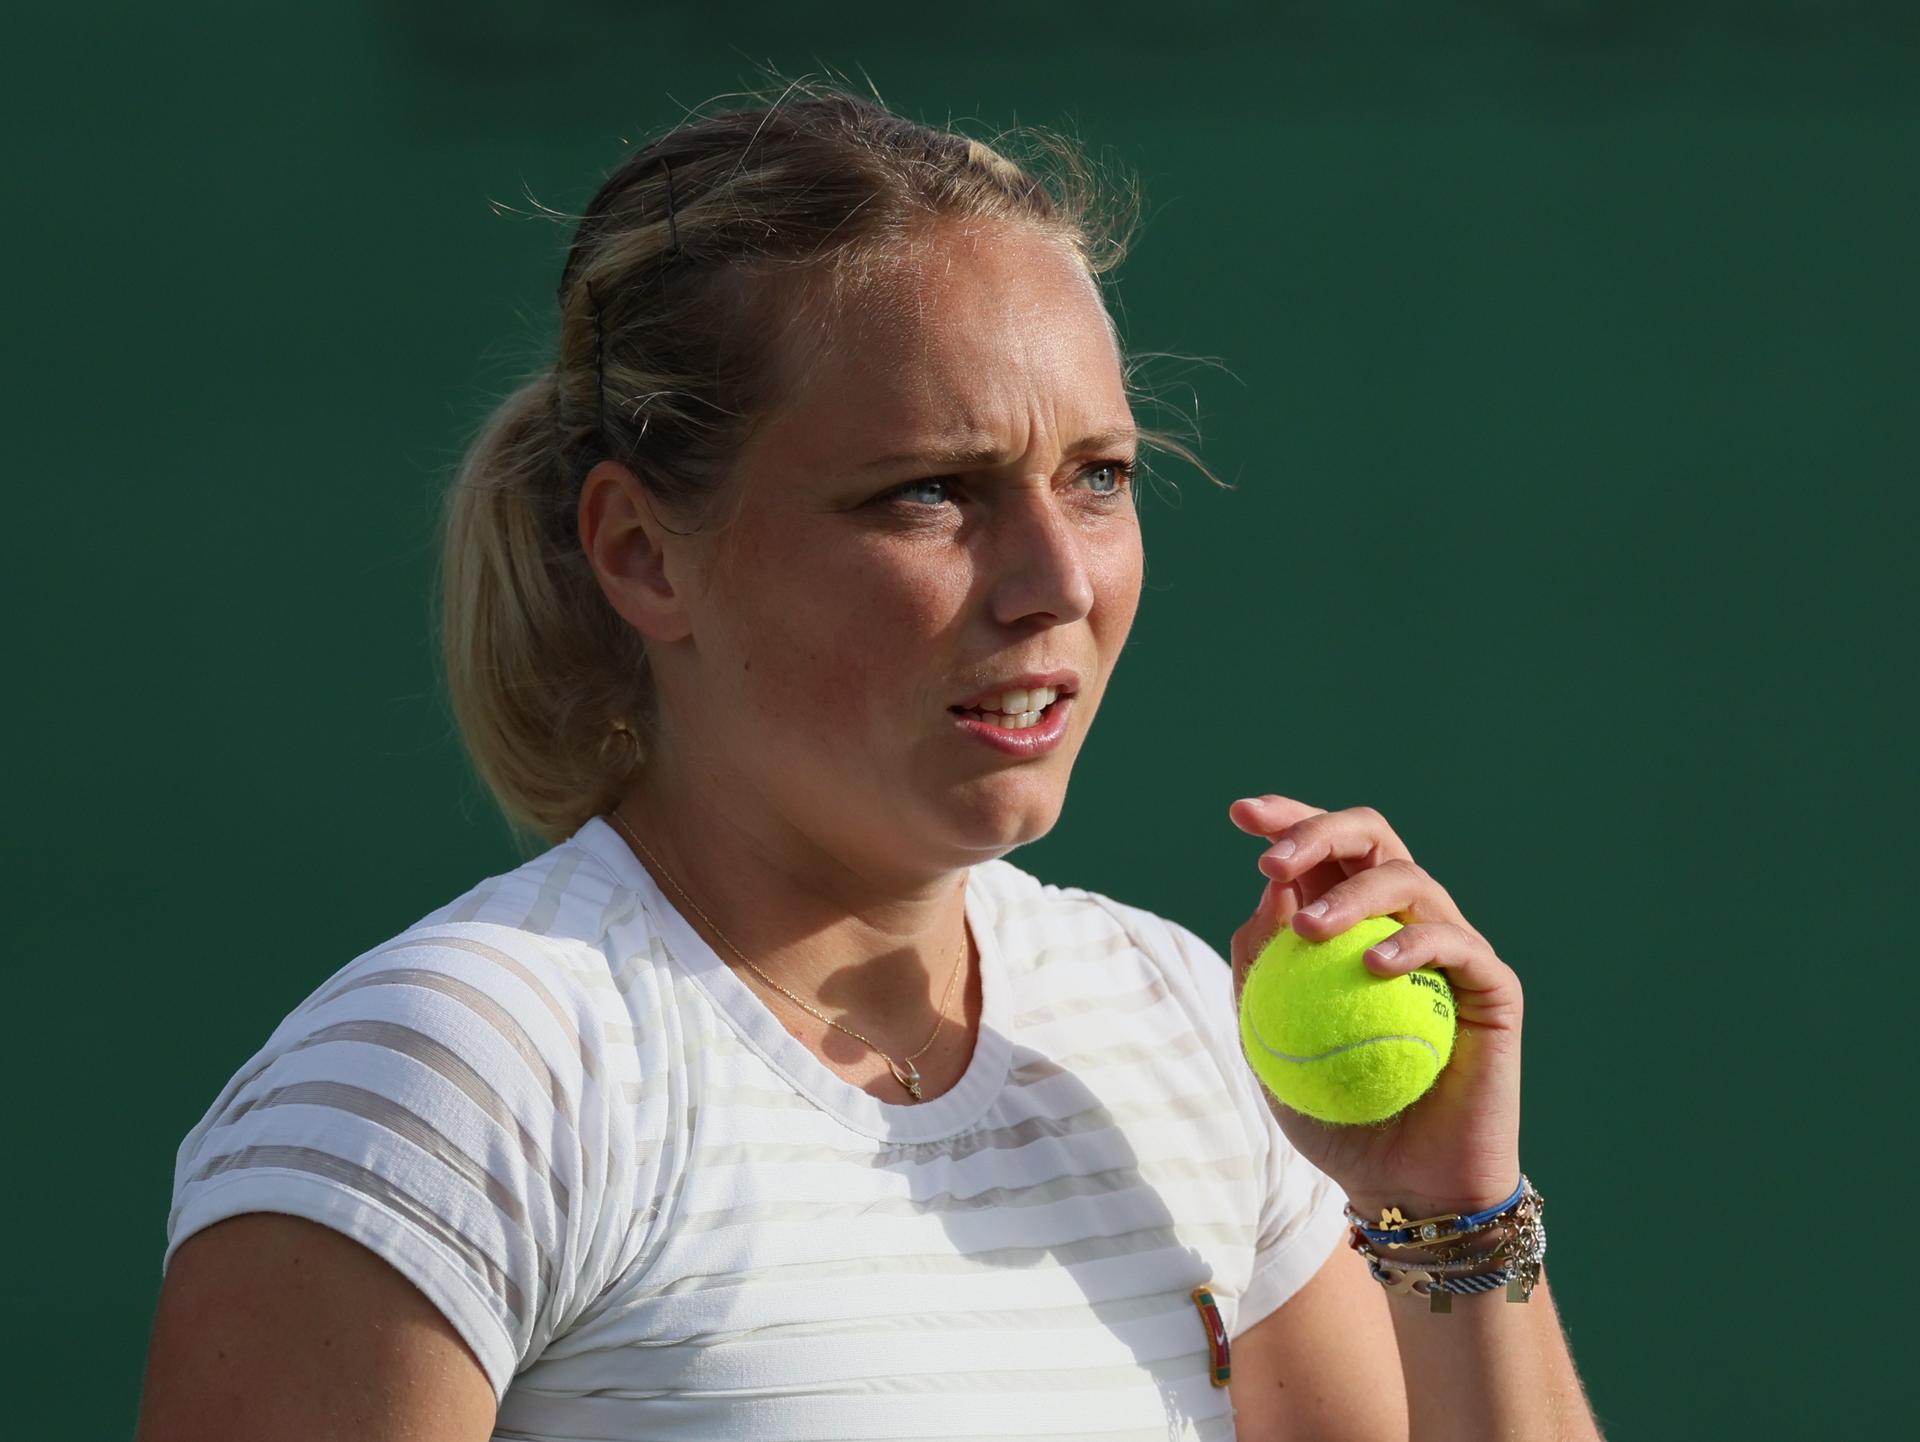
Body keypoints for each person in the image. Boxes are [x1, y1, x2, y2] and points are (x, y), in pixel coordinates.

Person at [136, 77, 1606, 1442]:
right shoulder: (454, 1075)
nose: (1057, 581)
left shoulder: (1174, 1024)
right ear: (643, 552)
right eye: (930, 491)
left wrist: (1447, 1210)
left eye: (1098, 476)